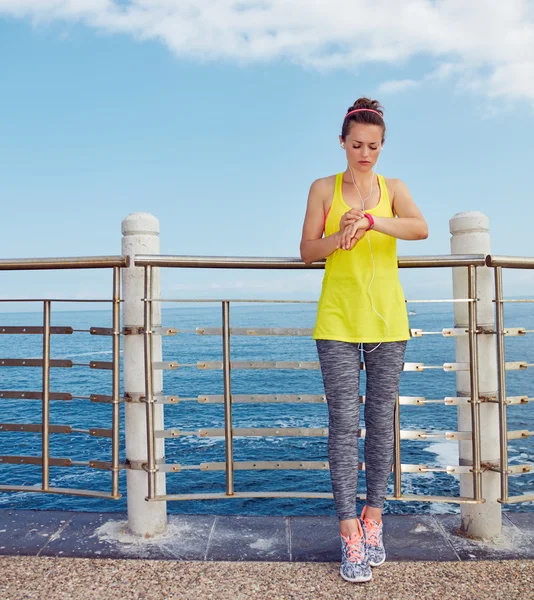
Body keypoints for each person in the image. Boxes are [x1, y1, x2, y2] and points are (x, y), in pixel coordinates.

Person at [299, 97, 428, 583]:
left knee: (380, 425)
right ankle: (349, 533)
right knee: (342, 427)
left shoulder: (393, 189)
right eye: (356, 145)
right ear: (342, 142)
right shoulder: (323, 188)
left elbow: (420, 228)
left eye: (373, 146)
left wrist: (372, 220)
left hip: (388, 325)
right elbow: (308, 250)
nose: (365, 153)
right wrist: (341, 234)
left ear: (382, 146)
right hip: (336, 322)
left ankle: (374, 520)